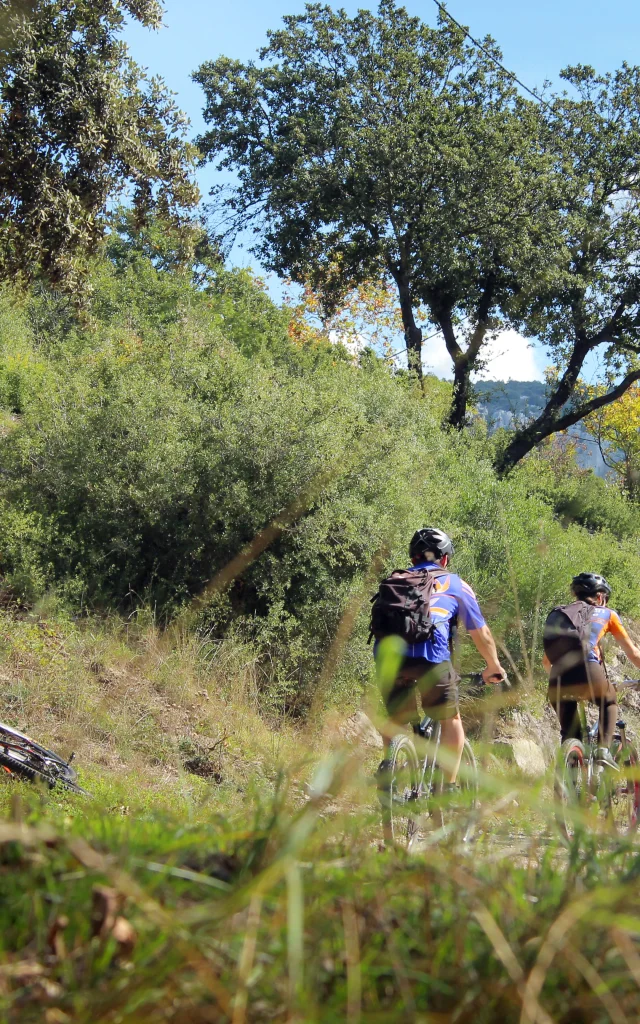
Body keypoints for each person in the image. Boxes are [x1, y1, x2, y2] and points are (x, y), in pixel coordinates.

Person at [376, 526, 506, 788]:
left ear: (413, 557)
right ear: (445, 559)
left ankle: (393, 769)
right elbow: (481, 633)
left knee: (395, 721)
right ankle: (446, 790)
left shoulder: (394, 581)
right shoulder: (455, 584)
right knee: (451, 719)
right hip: (431, 659)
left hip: (388, 659)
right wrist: (493, 666)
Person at [544, 572, 640, 769]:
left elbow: (547, 661)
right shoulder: (607, 614)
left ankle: (570, 780)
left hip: (557, 679)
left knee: (571, 735)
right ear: (600, 597)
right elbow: (634, 654)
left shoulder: (563, 615)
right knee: (609, 701)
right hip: (588, 670)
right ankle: (603, 750)